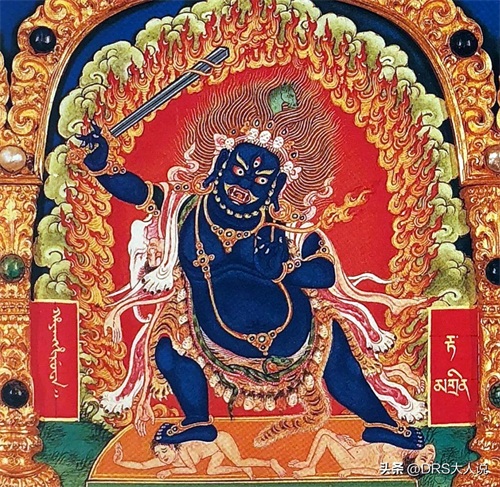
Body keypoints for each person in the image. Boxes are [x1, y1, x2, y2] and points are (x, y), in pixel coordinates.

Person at [112, 430, 286, 480]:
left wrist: (170, 471)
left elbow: (192, 470)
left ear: (173, 447)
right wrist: (120, 462)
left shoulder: (182, 450)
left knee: (239, 460)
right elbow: (142, 465)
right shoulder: (166, 459)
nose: (162, 456)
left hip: (219, 439)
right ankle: (242, 470)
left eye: (164, 450)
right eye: (158, 453)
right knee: (211, 471)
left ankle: (270, 463)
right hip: (214, 450)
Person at [289, 429, 436, 478]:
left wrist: (351, 470)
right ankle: (308, 462)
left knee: (326, 438)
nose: (430, 455)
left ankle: (311, 468)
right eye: (430, 460)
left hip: (351, 461)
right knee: (323, 432)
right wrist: (355, 443)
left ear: (412, 458)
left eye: (424, 458)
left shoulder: (395, 464)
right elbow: (374, 443)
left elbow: (375, 472)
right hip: (354, 449)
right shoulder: (402, 445)